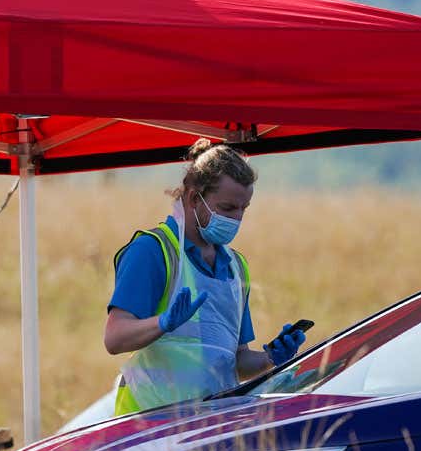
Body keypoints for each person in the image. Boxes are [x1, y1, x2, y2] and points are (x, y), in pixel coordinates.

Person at [104, 140, 307, 414]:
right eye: (226, 208)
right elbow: (115, 339)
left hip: (210, 429)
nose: (236, 219)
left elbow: (235, 360)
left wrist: (270, 357)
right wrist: (163, 323)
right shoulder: (153, 251)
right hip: (146, 427)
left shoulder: (235, 266)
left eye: (243, 209)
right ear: (192, 198)